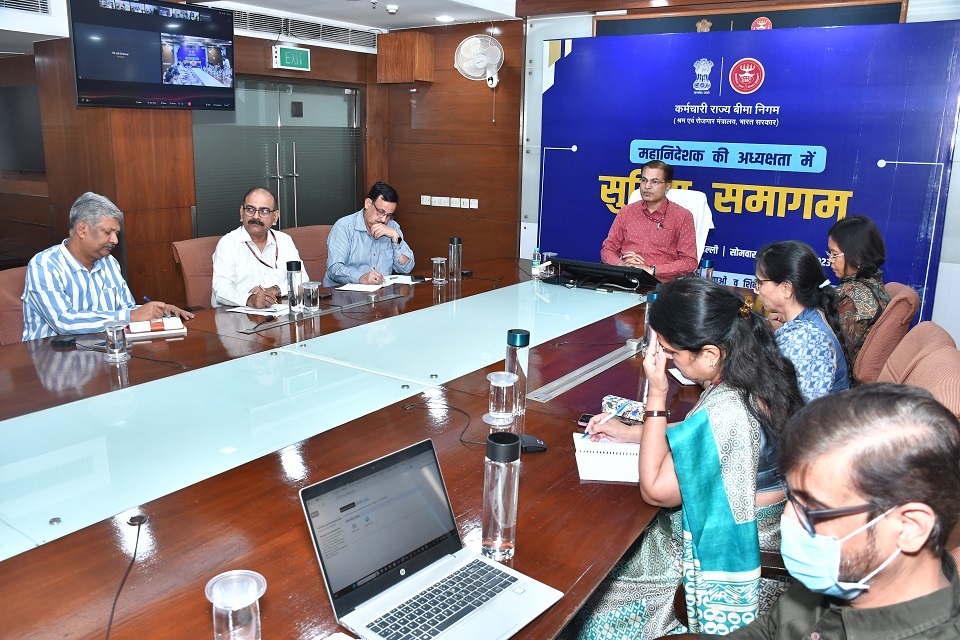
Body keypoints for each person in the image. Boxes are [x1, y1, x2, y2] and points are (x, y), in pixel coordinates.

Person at [567, 277, 804, 638]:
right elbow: (695, 434)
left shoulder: (727, 410)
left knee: (584, 595)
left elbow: (655, 490)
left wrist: (657, 393)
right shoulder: (758, 369)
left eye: (671, 352)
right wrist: (631, 432)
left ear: (710, 354)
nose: (665, 360)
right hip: (770, 530)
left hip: (738, 552)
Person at [728, 384, 960, 639]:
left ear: (909, 527)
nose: (788, 519)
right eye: (792, 498)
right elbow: (768, 630)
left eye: (813, 510)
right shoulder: (845, 574)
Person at [22, 192, 193, 341]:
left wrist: (157, 311)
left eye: (116, 233)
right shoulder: (45, 265)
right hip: (52, 358)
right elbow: (63, 322)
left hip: (103, 352)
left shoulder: (109, 262)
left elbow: (125, 309)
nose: (115, 240)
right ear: (82, 229)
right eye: (107, 232)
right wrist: (131, 315)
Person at [754, 240, 850, 402]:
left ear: (786, 288)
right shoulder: (811, 316)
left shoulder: (806, 339)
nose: (756, 290)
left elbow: (784, 405)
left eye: (760, 283)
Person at [600, 160, 698, 281]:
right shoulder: (627, 212)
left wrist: (651, 270)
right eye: (644, 180)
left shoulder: (682, 216)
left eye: (654, 182)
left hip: (660, 284)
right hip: (625, 279)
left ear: (667, 186)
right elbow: (608, 249)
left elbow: (689, 262)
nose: (647, 186)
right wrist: (622, 266)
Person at [211, 187, 308, 309]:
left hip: (278, 311)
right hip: (237, 315)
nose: (256, 216)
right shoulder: (228, 244)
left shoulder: (284, 241)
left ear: (275, 217)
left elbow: (302, 279)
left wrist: (275, 290)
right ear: (241, 213)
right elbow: (221, 290)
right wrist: (250, 299)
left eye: (264, 211)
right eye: (250, 209)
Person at [323, 182, 414, 288]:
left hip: (380, 293)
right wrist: (361, 277)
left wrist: (395, 238)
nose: (384, 220)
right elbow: (334, 269)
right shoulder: (344, 227)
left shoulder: (392, 227)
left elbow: (406, 268)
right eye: (380, 212)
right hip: (344, 292)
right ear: (368, 203)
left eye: (389, 215)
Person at [827, 215, 891, 364]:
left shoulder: (854, 301)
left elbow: (829, 351)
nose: (830, 260)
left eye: (835, 255)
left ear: (857, 256)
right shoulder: (871, 283)